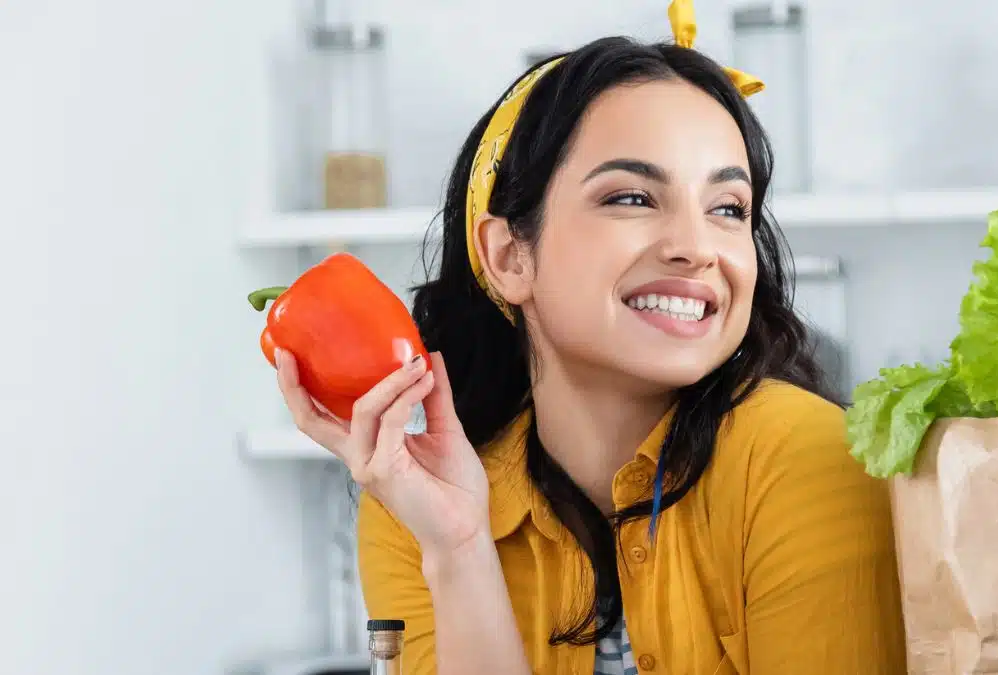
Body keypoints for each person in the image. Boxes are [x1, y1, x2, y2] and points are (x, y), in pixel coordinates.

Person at [275, 1, 907, 672]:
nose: (697, 248)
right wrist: (459, 549)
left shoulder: (807, 459)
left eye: (728, 208)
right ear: (510, 255)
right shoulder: (417, 505)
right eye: (631, 197)